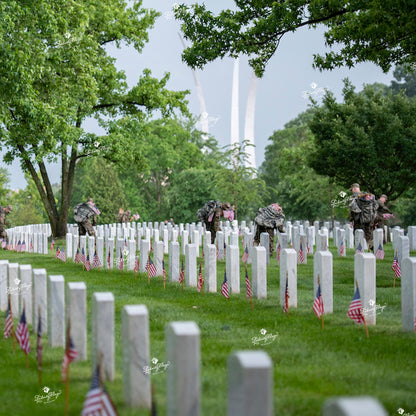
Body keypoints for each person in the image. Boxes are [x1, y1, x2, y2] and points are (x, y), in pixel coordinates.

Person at [349, 183, 378, 251]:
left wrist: (351, 220)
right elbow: (376, 205)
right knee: (369, 235)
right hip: (369, 219)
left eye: (352, 189)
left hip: (358, 220)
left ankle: (359, 250)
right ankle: (374, 248)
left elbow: (353, 209)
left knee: (357, 234)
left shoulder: (353, 197)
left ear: (353, 189)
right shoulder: (368, 196)